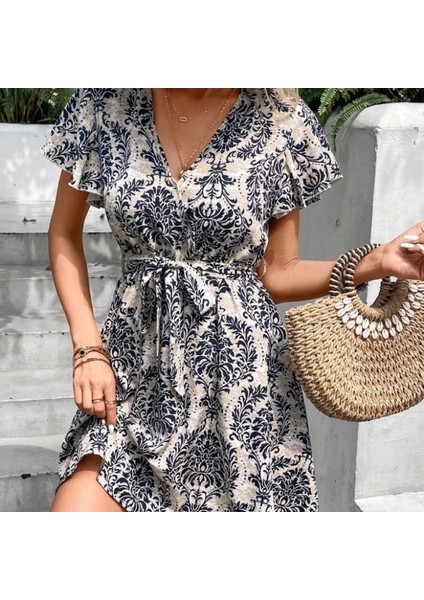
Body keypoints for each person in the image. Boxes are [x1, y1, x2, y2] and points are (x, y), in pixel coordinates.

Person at [41, 88, 424, 512]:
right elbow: (63, 232)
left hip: (240, 386)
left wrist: (375, 262)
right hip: (134, 372)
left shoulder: (282, 119)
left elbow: (278, 272)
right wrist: (87, 348)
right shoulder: (103, 103)